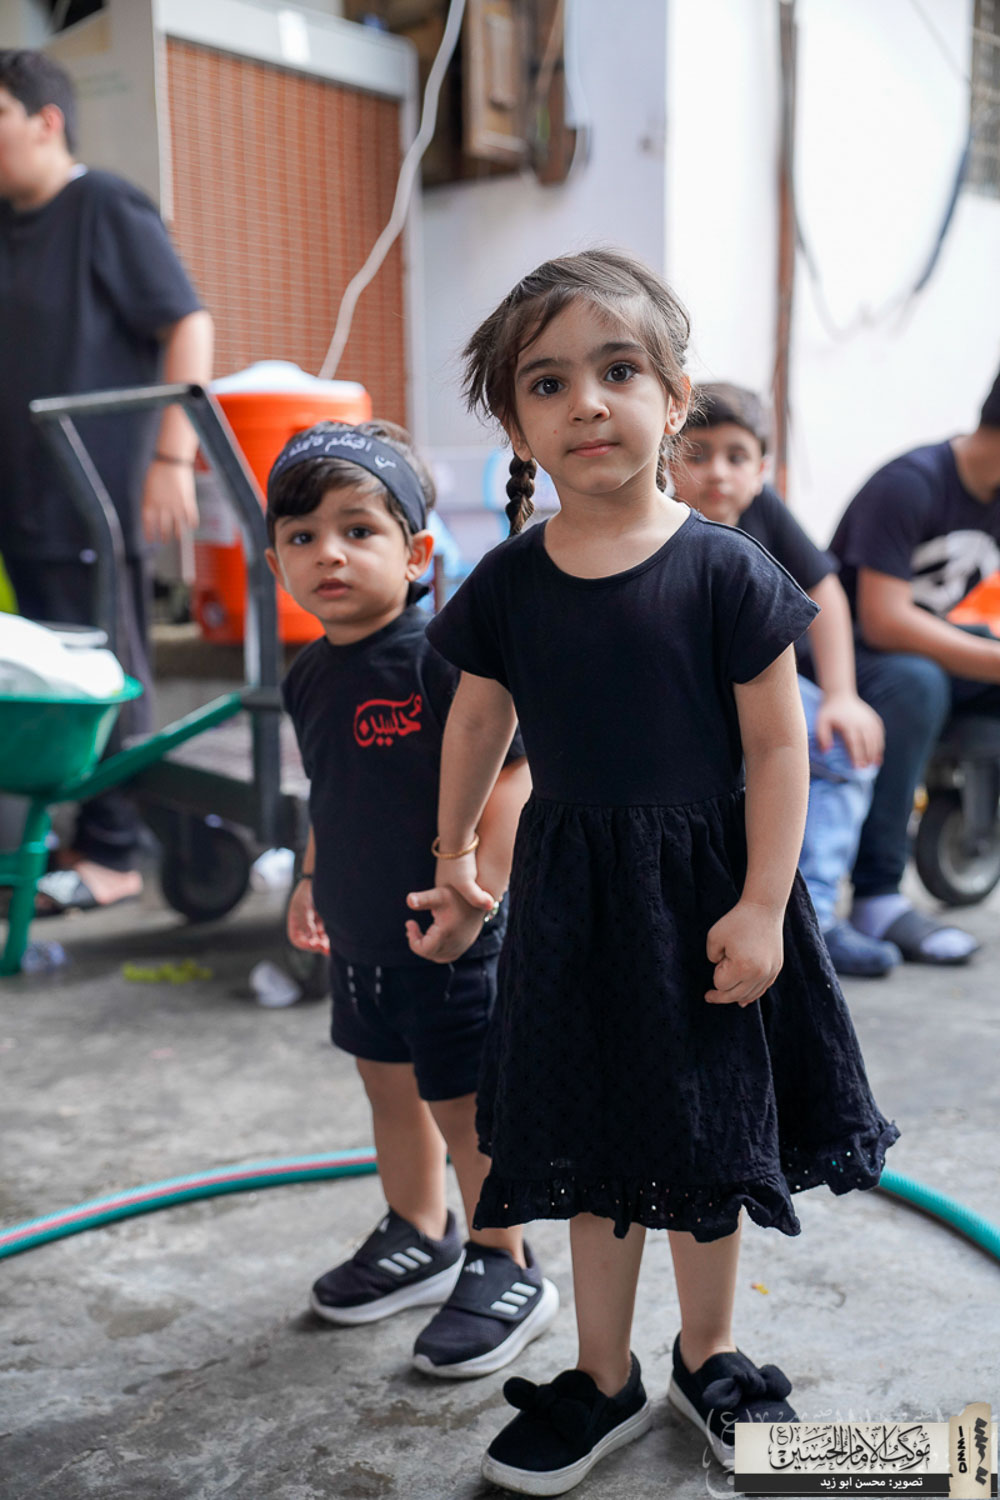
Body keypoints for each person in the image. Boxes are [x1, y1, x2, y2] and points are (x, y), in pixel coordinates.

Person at [405, 249, 898, 1494]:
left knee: (704, 1136)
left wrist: (762, 905)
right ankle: (601, 1372)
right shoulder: (511, 581)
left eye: (617, 371)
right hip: (572, 901)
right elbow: (476, 721)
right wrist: (455, 859)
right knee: (589, 1138)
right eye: (547, 382)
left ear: (673, 399)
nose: (585, 402)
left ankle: (709, 1356)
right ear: (514, 424)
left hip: (703, 897)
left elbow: (777, 746)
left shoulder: (726, 568)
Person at [268, 419, 558, 1379]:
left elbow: (514, 779)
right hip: (361, 937)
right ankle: (420, 1229)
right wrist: (310, 878)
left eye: (358, 530)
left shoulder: (442, 657)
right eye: (303, 537)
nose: (329, 554)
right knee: (387, 1088)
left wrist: (479, 893)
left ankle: (505, 1259)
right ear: (275, 563)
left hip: (452, 937)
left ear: (417, 552)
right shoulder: (308, 675)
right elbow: (330, 787)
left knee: (464, 1108)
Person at [0, 49, 213, 911]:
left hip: (88, 494)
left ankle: (116, 852)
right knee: (46, 676)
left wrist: (172, 458)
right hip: (20, 495)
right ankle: (73, 835)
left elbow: (187, 322)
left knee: (104, 667)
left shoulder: (104, 207)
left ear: (45, 121)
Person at [670, 383, 897, 978]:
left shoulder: (763, 512)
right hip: (693, 702)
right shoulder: (663, 526)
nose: (718, 472)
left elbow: (827, 592)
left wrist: (842, 696)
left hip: (770, 693)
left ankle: (813, 915)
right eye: (698, 454)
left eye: (736, 457)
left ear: (761, 470)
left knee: (845, 748)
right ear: (668, 457)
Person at [828, 365, 1000, 965]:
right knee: (917, 683)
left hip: (918, 648)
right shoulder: (910, 484)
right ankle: (877, 893)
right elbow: (884, 620)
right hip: (848, 653)